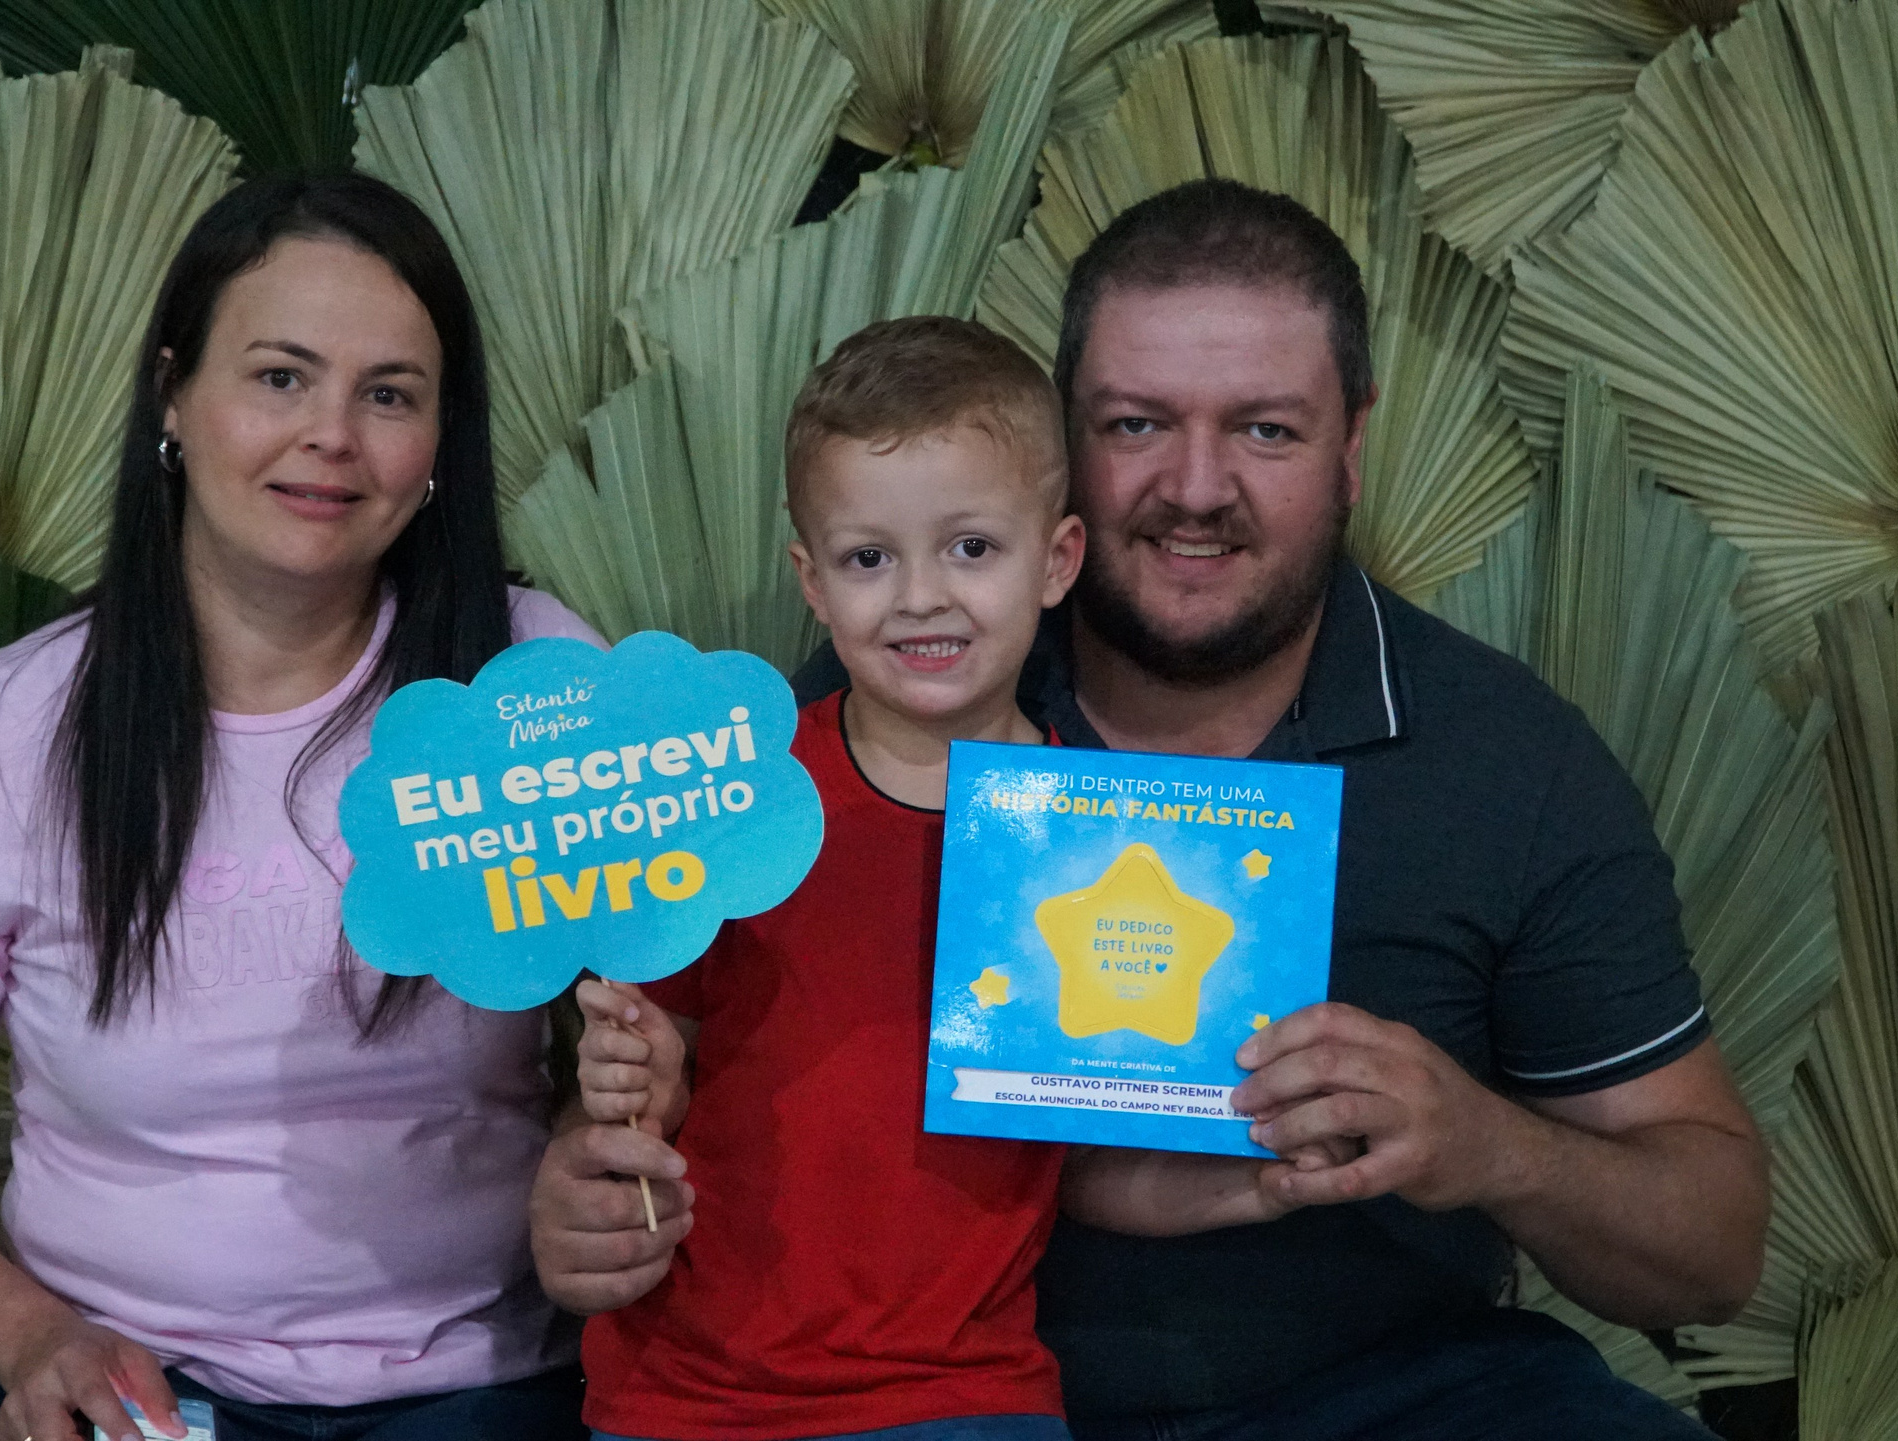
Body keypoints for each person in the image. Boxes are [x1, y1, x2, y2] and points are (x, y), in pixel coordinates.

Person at [530, 179, 1768, 1441]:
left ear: (1352, 444)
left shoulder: (1504, 760)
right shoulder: (866, 715)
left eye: (1267, 431)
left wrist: (1490, 1145)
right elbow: (688, 1046)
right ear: (1065, 453)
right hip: (946, 1399)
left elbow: (1714, 1249)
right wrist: (595, 1163)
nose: (1194, 486)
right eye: (1134, 424)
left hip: (1389, 1389)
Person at [0, 173, 603, 1441]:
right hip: (138, 1386)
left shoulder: (535, 689)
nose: (331, 433)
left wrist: (614, 1116)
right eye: (279, 376)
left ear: (441, 441)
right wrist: (33, 1338)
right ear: (173, 392)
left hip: (484, 1383)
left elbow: (664, 1029)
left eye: (388, 394)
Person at [560, 317, 1087, 1441]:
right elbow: (655, 1058)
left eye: (971, 548)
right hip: (690, 1395)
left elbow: (1127, 1116)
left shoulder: (1102, 835)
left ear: (1058, 559)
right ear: (810, 579)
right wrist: (640, 1069)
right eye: (867, 558)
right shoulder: (726, 799)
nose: (921, 598)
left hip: (965, 1392)